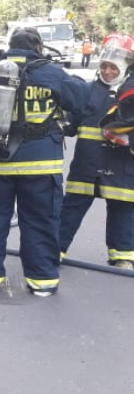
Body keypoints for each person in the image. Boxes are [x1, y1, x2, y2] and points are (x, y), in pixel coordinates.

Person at [0, 27, 89, 296]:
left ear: (10, 46)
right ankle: (42, 282)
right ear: (38, 47)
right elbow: (80, 99)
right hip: (40, 164)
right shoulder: (51, 72)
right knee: (40, 220)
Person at [59, 34, 134, 268]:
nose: (108, 72)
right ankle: (54, 249)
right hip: (86, 164)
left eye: (113, 67)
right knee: (71, 208)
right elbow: (70, 126)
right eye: (104, 66)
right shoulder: (87, 90)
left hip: (122, 165)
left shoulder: (129, 95)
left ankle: (122, 256)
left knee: (123, 210)